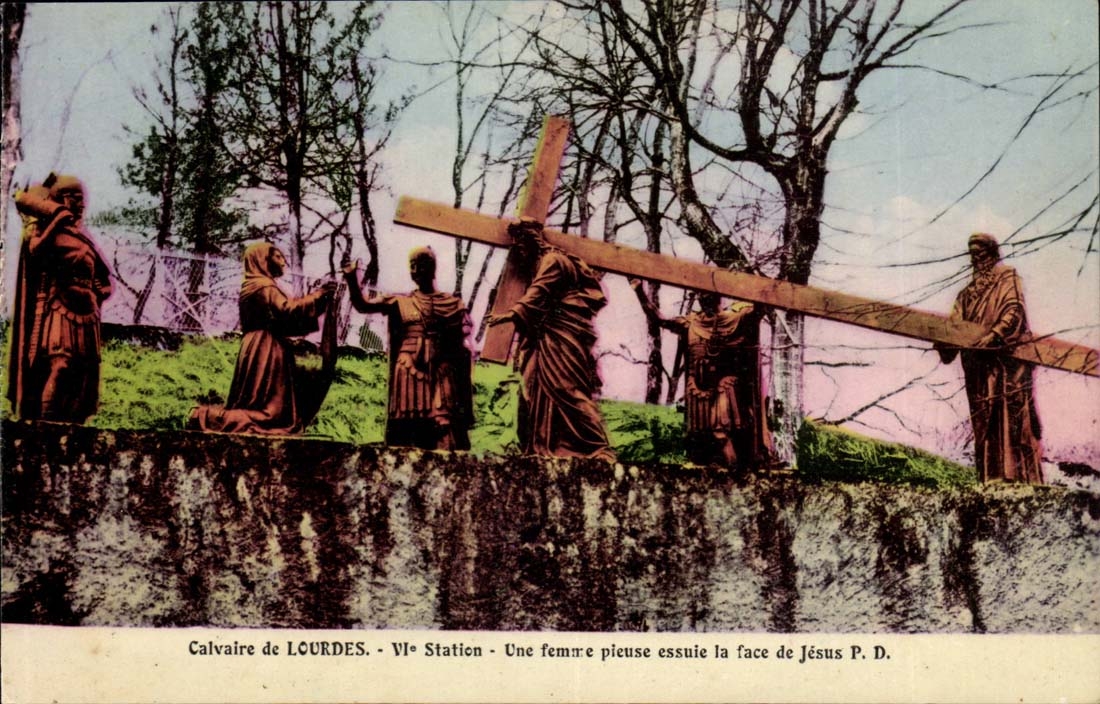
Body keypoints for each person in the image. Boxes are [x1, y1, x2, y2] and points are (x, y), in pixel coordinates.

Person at [487, 218, 615, 462]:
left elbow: (538, 293)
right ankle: (543, 445)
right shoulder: (539, 263)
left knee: (566, 388)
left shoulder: (553, 261)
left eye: (522, 243)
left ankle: (598, 446)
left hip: (564, 337)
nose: (520, 250)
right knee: (532, 386)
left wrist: (506, 317)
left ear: (533, 239)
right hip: (545, 338)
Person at [189, 242, 336, 435]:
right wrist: (318, 296)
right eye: (277, 256)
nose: (283, 262)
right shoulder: (264, 286)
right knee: (269, 414)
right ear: (262, 259)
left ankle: (210, 416)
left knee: (260, 406)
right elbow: (287, 311)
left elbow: (283, 322)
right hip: (266, 348)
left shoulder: (250, 286)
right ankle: (204, 416)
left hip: (253, 347)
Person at [935, 233, 1043, 483]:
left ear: (993, 254)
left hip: (1007, 367)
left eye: (981, 254)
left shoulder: (1008, 278)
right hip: (979, 372)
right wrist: (944, 342)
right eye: (972, 255)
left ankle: (1019, 479)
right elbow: (954, 328)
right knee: (985, 425)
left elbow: (1013, 310)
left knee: (1011, 421)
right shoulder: (965, 295)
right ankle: (990, 478)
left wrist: (995, 335)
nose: (977, 260)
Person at [342, 246, 473, 450]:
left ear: (431, 267)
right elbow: (364, 305)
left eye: (419, 265)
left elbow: (463, 340)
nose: (414, 270)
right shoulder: (399, 301)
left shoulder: (453, 303)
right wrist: (351, 279)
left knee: (445, 423)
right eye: (411, 265)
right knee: (410, 424)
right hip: (409, 367)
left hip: (441, 368)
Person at [630, 279, 771, 468]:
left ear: (718, 298)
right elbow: (657, 318)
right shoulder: (691, 323)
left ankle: (735, 471)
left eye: (709, 296)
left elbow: (758, 311)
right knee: (701, 437)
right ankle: (715, 468)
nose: (705, 300)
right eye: (702, 296)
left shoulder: (733, 319)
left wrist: (759, 288)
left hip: (725, 384)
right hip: (697, 387)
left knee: (720, 428)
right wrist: (639, 291)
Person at [8, 175, 112, 423]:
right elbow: (34, 253)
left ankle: (72, 424)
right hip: (60, 308)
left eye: (82, 200)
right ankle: (46, 425)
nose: (80, 205)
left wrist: (100, 292)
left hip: (88, 315)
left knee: (82, 372)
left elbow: (105, 282)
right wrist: (55, 222)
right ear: (61, 200)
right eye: (74, 199)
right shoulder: (46, 232)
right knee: (61, 365)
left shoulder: (84, 240)